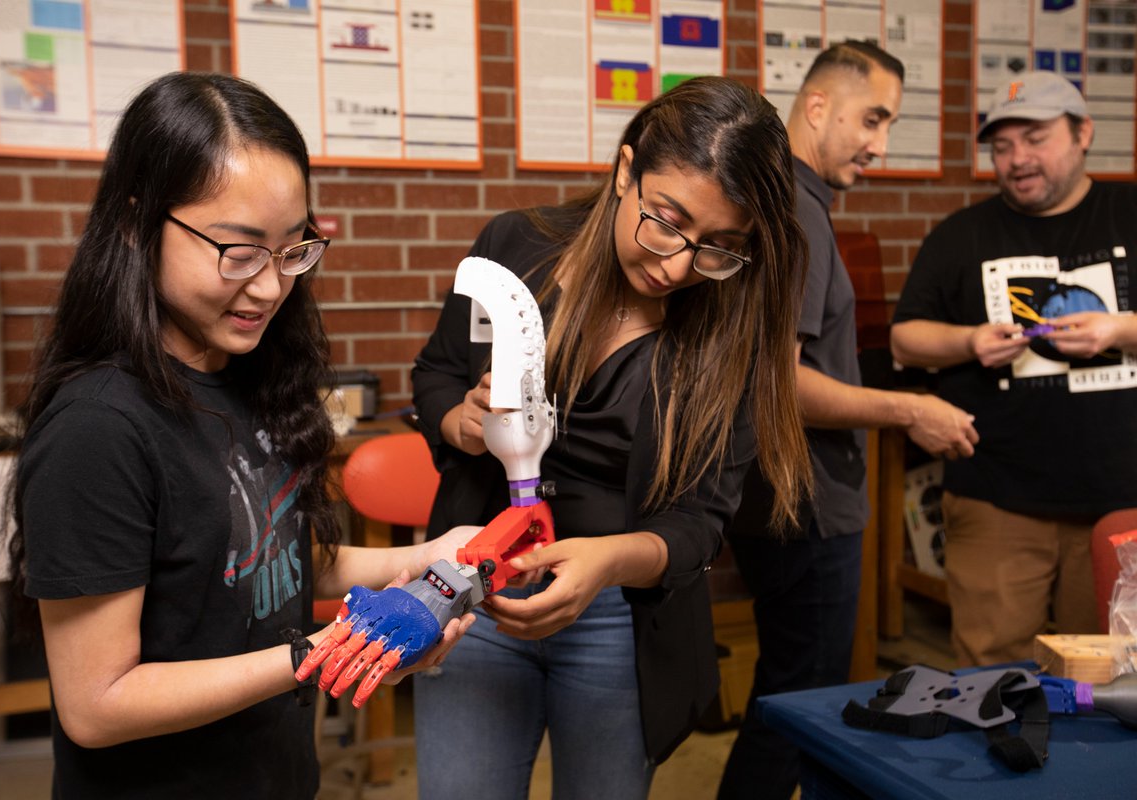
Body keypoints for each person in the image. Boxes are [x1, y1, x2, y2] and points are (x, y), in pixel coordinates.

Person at [10, 72, 475, 799]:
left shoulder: (247, 374)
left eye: (294, 249)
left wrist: (427, 557)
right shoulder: (98, 429)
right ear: (137, 223)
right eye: (239, 250)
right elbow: (97, 705)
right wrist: (326, 653)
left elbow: (271, 564)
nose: (269, 287)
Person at [409, 76, 813, 798]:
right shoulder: (516, 249)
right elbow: (437, 370)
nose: (679, 266)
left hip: (619, 618)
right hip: (474, 586)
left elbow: (697, 527)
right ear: (626, 171)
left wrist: (606, 564)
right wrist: (459, 423)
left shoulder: (728, 329)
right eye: (667, 220)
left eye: (720, 246)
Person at [716, 41, 980, 799]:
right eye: (872, 119)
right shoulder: (795, 211)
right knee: (800, 707)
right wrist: (910, 409)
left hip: (785, 502)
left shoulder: (788, 203)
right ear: (818, 107)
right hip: (805, 507)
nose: (880, 144)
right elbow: (780, 382)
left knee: (790, 692)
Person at [891, 70, 1137, 666]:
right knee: (989, 680)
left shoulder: (1129, 212)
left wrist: (1121, 329)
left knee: (1109, 680)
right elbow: (905, 338)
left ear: (1083, 134)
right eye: (1002, 146)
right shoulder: (960, 235)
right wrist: (971, 340)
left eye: (1035, 138)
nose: (1017, 159)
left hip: (1120, 503)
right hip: (996, 498)